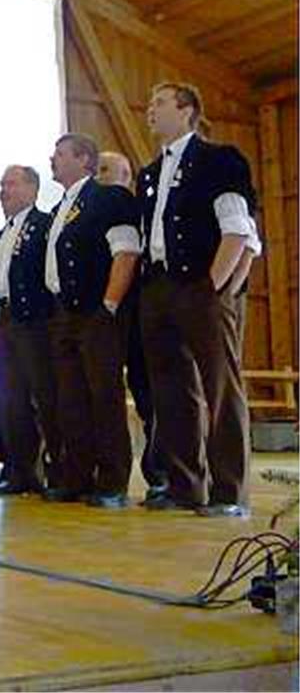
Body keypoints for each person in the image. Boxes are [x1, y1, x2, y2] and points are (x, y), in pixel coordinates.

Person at [138, 82, 257, 517]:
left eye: (160, 102)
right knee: (170, 390)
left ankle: (229, 492)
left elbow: (238, 229)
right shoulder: (149, 173)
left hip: (201, 286)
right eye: (150, 104)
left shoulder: (218, 160)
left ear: (187, 109)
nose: (150, 110)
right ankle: (185, 485)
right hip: (158, 287)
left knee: (220, 387)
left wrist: (214, 287)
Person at [42, 133, 140, 509]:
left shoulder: (109, 198)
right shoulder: (60, 208)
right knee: (71, 399)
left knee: (104, 396)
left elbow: (126, 253)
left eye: (60, 154)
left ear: (84, 160)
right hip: (64, 312)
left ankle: (113, 481)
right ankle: (78, 477)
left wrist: (109, 306)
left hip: (96, 312)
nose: (52, 159)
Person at [97, 150, 167, 501]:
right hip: (101, 316)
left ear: (127, 177)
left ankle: (160, 473)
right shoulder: (89, 213)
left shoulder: (137, 209)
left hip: (138, 312)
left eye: (105, 170)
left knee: (149, 395)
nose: (99, 176)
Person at [0, 165, 56, 495]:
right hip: (4, 319)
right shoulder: (3, 232)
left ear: (32, 189)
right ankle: (17, 469)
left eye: (11, 184)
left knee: (41, 396)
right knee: (8, 398)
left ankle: (51, 470)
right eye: (2, 185)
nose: (4, 190)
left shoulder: (43, 225)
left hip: (34, 320)